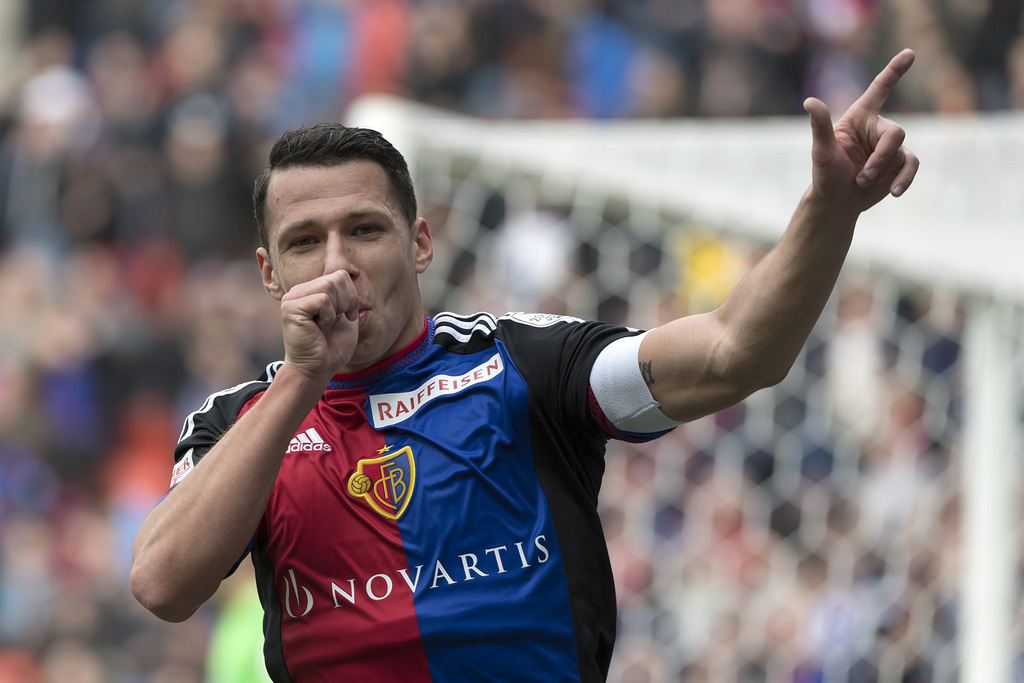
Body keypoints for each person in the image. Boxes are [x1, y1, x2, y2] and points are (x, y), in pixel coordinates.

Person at [130, 49, 920, 682]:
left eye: (365, 229)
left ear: (420, 243)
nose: (336, 265)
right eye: (305, 242)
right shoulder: (238, 422)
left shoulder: (524, 362)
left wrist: (828, 213)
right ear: (270, 273)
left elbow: (733, 352)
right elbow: (163, 585)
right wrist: (303, 379)